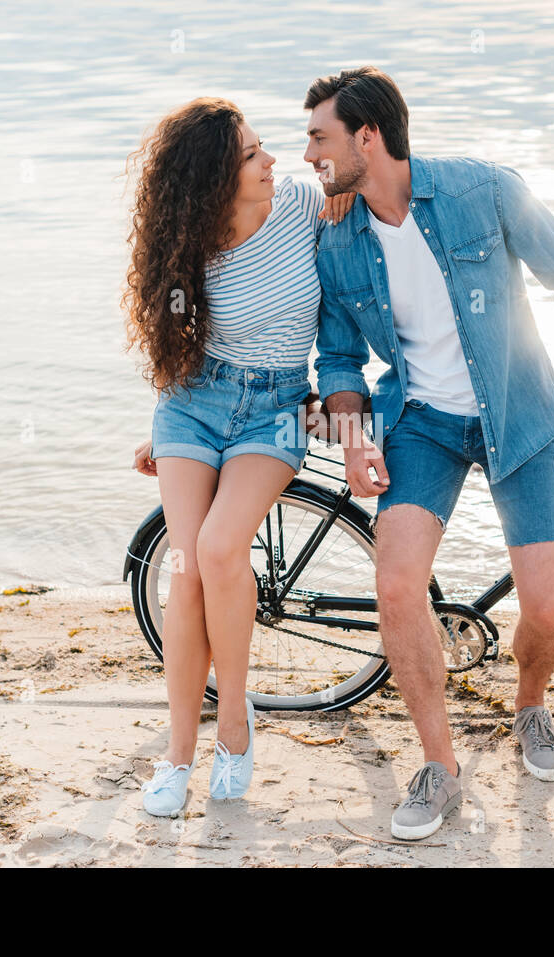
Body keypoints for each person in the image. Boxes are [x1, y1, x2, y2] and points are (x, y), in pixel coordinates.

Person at [304, 66, 554, 840]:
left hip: (516, 414)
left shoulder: (484, 190)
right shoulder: (336, 236)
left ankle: (531, 704)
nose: (308, 154)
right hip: (421, 422)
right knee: (396, 585)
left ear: (368, 136)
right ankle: (440, 765)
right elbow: (336, 359)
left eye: (319, 136)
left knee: (547, 614)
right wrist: (357, 439)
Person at [123, 97, 352, 817]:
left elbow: (376, 209)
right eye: (252, 156)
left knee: (221, 548)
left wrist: (349, 402)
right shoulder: (185, 245)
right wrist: (160, 433)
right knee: (187, 571)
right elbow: (177, 352)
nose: (272, 161)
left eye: (262, 147)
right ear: (212, 180)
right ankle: (177, 754)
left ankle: (234, 724)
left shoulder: (304, 206)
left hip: (279, 408)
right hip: (194, 405)